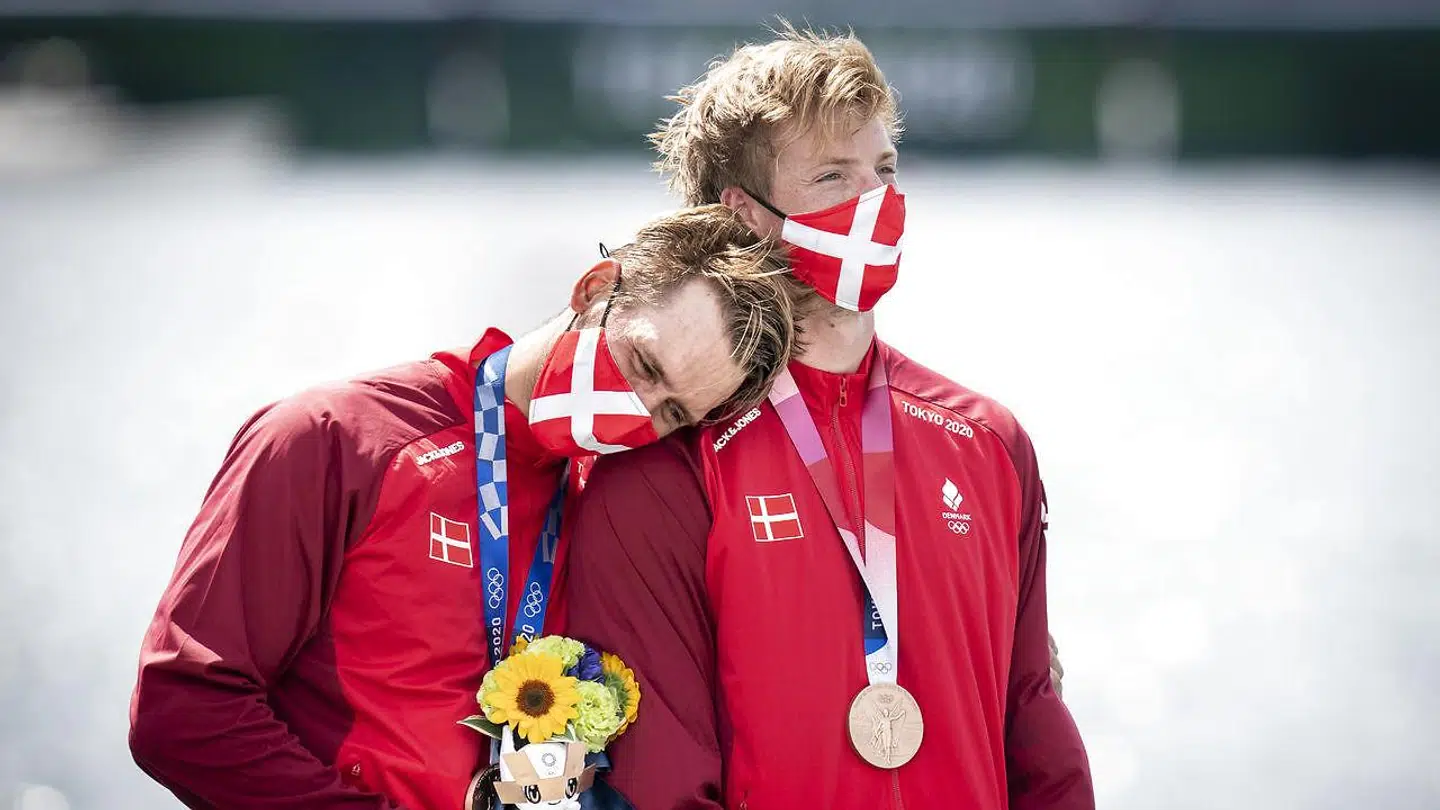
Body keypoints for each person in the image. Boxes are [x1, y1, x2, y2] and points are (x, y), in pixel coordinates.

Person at [564, 27, 1094, 809]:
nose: (874, 203)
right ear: (745, 214)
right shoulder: (665, 463)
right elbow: (663, 782)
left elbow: (1036, 734)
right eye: (833, 177)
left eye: (884, 170)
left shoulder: (988, 441)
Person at [127, 205, 799, 810]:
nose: (634, 416)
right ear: (595, 289)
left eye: (672, 412)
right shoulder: (335, 436)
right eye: (643, 366)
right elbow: (184, 707)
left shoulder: (606, 508)